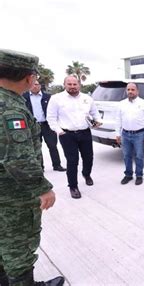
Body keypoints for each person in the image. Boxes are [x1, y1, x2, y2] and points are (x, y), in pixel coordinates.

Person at [0, 48, 64, 285]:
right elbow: (18, 159)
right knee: (19, 249)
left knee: (3, 245)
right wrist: (43, 188)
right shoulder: (11, 109)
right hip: (13, 197)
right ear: (29, 77)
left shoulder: (8, 99)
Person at [46, 76, 102, 199]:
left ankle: (86, 174)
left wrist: (98, 121)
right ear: (64, 85)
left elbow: (95, 113)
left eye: (74, 84)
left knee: (89, 157)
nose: (72, 86)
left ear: (79, 85)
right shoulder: (56, 99)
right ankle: (73, 186)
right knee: (72, 161)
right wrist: (59, 131)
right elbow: (50, 118)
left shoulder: (87, 98)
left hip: (85, 133)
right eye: (69, 84)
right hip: (67, 135)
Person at [22, 80, 66, 172]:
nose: (34, 86)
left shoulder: (48, 97)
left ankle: (57, 165)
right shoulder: (24, 97)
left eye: (36, 84)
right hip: (33, 126)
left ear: (40, 86)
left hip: (47, 125)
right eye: (33, 84)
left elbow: (55, 111)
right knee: (37, 147)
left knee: (53, 146)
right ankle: (40, 167)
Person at [116, 82, 144, 186]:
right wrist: (117, 134)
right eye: (128, 90)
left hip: (139, 134)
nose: (130, 91)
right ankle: (128, 175)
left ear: (137, 91)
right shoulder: (121, 104)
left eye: (132, 89)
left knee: (139, 156)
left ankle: (139, 175)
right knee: (126, 155)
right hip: (125, 134)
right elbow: (118, 119)